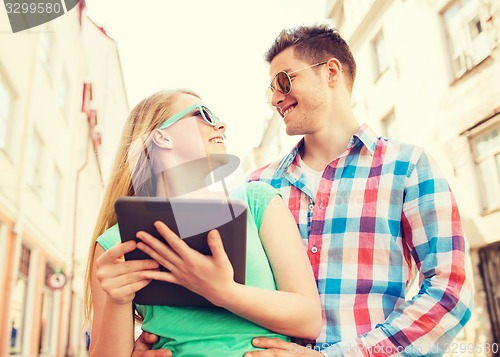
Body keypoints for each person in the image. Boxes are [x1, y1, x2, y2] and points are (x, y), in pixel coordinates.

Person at [132, 24, 474, 356]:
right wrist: (148, 344)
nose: (275, 99)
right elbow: (210, 291)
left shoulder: (408, 166)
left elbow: (450, 293)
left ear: (331, 72)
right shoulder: (256, 188)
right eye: (270, 91)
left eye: (284, 81)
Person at [83, 89, 322, 356]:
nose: (221, 124)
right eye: (204, 115)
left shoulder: (257, 202)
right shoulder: (115, 244)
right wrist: (118, 301)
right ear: (161, 136)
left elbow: (309, 320)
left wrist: (224, 291)